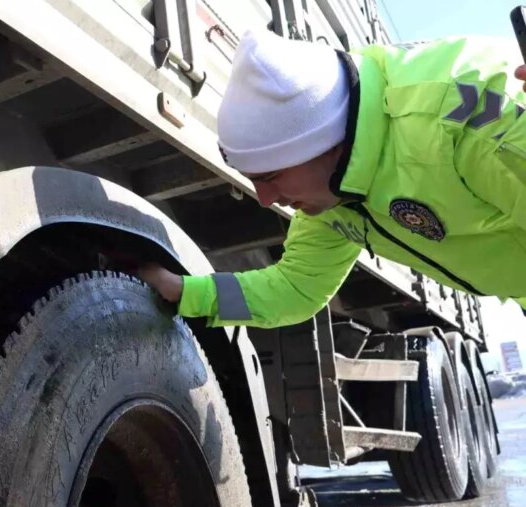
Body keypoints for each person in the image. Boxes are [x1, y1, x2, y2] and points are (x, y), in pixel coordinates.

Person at [138, 30, 526, 328]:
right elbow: (294, 290)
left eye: (270, 176)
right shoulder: (333, 199)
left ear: (325, 144)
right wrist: (186, 291)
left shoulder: (467, 126)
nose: (264, 199)